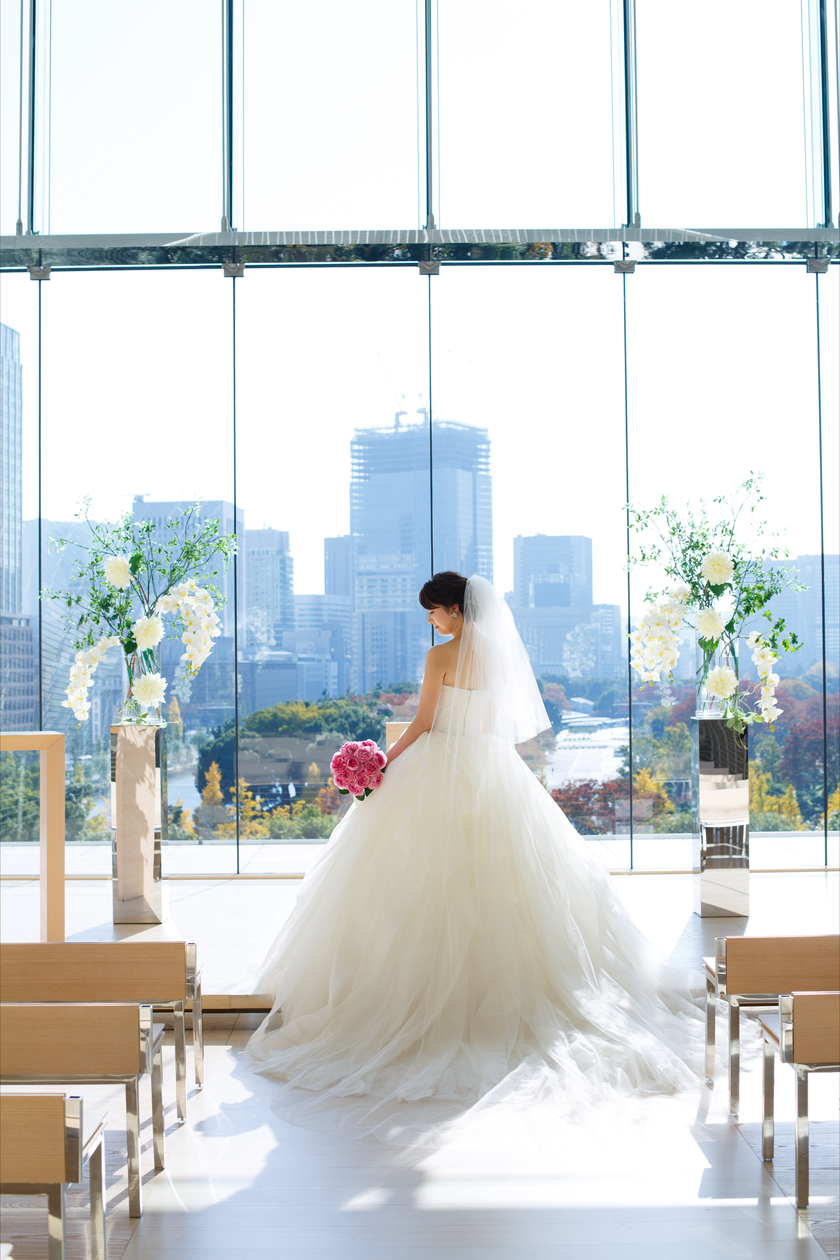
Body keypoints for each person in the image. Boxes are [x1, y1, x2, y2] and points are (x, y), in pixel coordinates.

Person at [246, 572, 702, 1142]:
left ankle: (408, 1005)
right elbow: (490, 727)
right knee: (506, 880)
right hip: (488, 766)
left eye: (434, 611)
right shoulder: (495, 656)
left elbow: (423, 721)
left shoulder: (442, 656)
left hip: (440, 763)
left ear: (455, 611)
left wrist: (380, 763)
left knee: (416, 882)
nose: (431, 621)